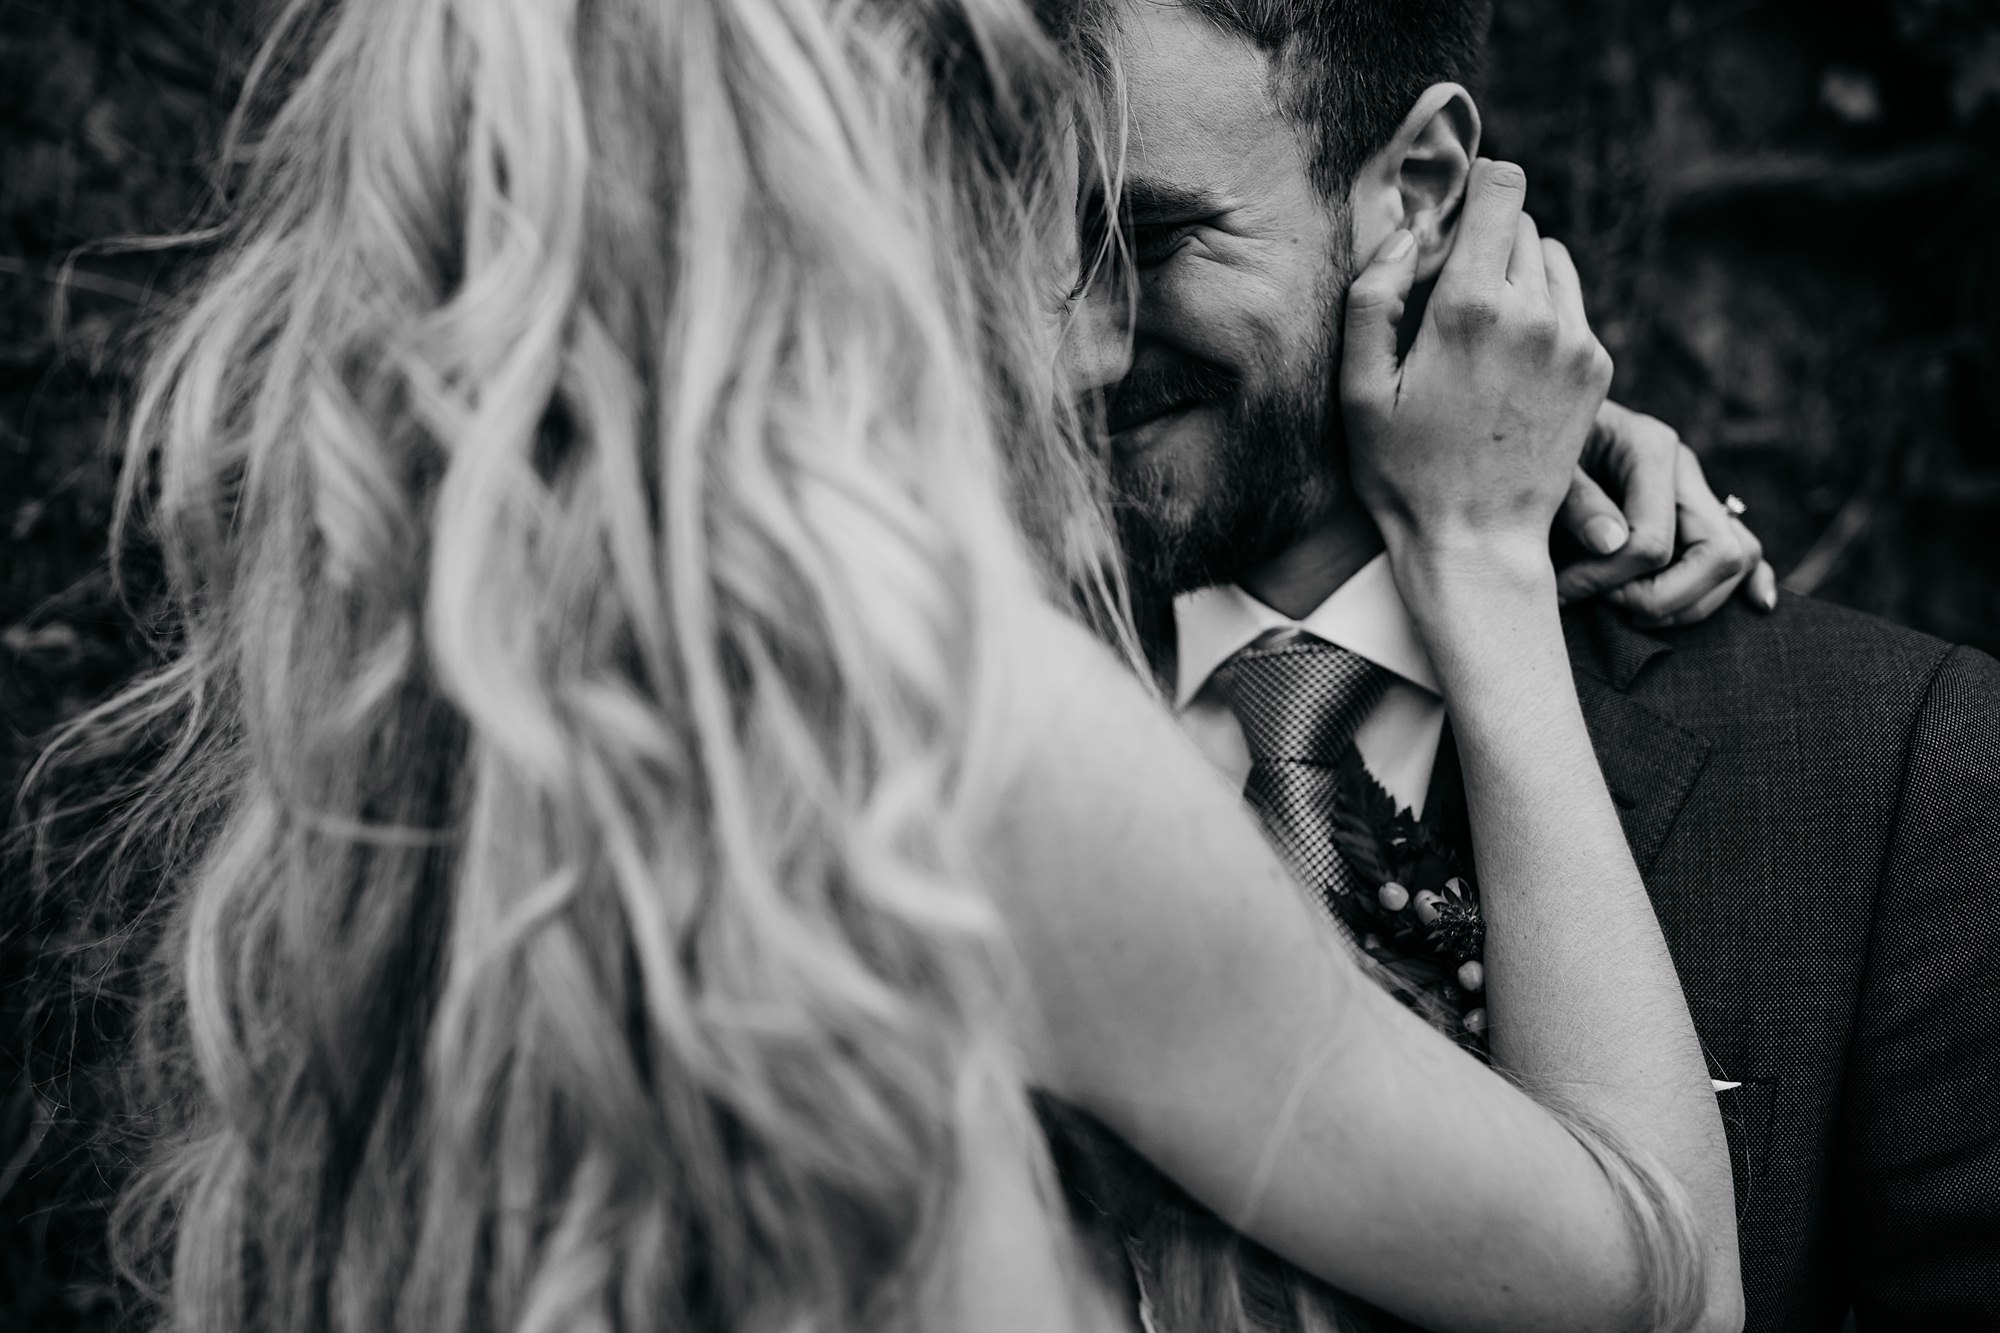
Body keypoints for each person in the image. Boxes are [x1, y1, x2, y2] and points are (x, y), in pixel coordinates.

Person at [12, 0, 1752, 1330]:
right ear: (842, 220)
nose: (1080, 332)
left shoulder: (404, 747)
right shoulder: (988, 750)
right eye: (1018, 200)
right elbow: (1659, 1269)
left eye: (1123, 230)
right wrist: (1479, 560)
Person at [1060, 2, 2000, 1330]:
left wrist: (1491, 541)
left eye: (1150, 237)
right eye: (1019, 233)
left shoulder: (1891, 770)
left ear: (1423, 189)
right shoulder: (889, 714)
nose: (1064, 338)